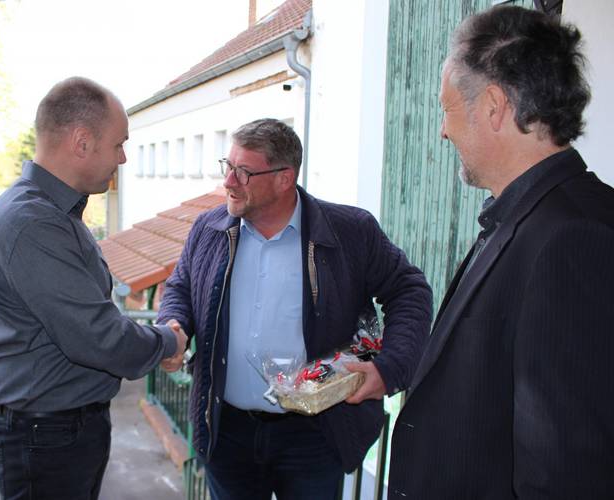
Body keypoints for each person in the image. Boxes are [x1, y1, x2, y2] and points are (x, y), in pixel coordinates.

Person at [389, 6, 614, 499]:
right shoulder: (528, 214)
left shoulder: (574, 237)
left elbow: (567, 471)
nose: (443, 131)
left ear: (493, 105)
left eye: (447, 109)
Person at [157, 118, 433, 499]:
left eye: (243, 172)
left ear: (284, 178)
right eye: (228, 166)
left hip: (315, 436)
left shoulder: (350, 231)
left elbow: (409, 290)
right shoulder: (209, 229)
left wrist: (390, 368)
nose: (228, 182)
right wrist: (173, 325)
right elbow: (181, 287)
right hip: (227, 431)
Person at [0, 77, 186, 500]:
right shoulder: (34, 223)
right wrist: (168, 341)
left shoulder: (53, 212)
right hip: (46, 435)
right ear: (82, 142)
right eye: (118, 144)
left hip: (56, 431)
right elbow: (98, 336)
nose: (123, 158)